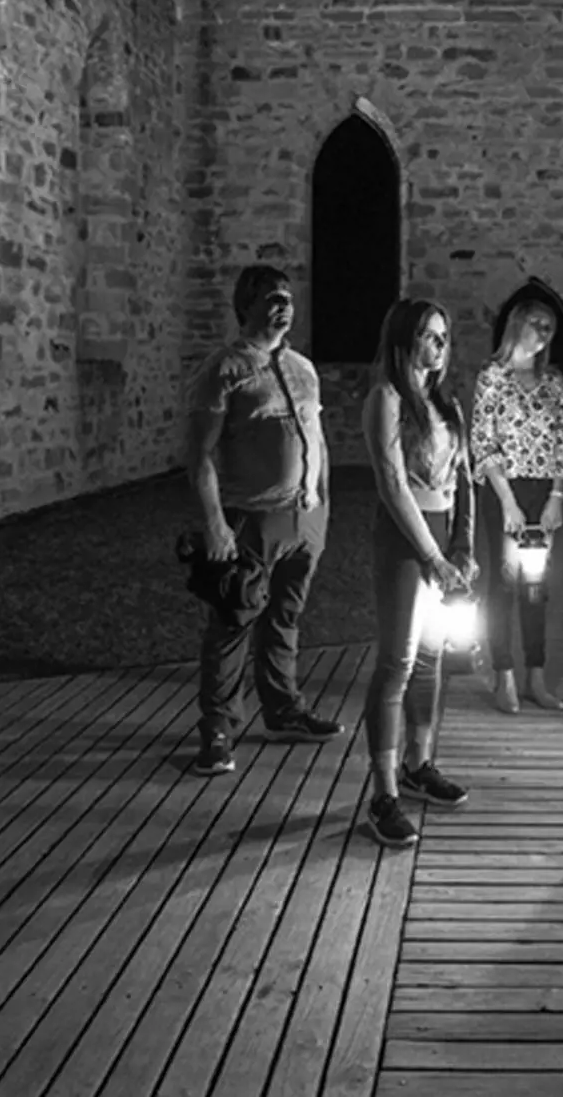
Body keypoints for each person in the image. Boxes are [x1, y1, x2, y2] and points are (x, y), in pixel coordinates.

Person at [182, 263, 344, 777]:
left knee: (285, 618)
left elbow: (317, 439)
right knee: (234, 620)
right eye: (272, 298)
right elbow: (200, 454)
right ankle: (218, 730)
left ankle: (283, 709)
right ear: (245, 306)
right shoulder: (224, 369)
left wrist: (322, 503)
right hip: (250, 517)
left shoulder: (303, 367)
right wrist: (214, 525)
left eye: (288, 298)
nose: (283, 306)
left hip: (303, 518)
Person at [358, 297, 478, 848]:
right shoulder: (387, 399)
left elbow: (464, 481)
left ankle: (418, 763)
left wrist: (462, 547)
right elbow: (393, 484)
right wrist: (431, 555)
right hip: (405, 541)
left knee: (431, 658)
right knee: (398, 660)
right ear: (405, 340)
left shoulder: (444, 403)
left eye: (444, 336)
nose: (439, 346)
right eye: (429, 335)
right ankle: (382, 791)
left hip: (442, 536)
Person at [470, 298, 563, 714]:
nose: (544, 333)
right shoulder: (492, 377)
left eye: (550, 327)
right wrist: (508, 503)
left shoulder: (552, 379)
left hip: (542, 491)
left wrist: (557, 496)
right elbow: (483, 441)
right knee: (505, 581)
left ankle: (536, 675)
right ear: (516, 325)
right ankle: (504, 675)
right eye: (537, 324)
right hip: (504, 491)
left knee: (537, 586)